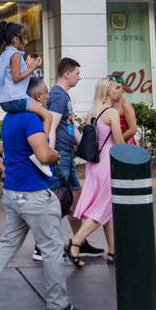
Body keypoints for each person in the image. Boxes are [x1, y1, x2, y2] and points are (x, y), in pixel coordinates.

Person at [0, 75, 88, 310]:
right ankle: (57, 304)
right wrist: (56, 156)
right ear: (36, 96)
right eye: (44, 92)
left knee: (7, 243)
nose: (47, 96)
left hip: (12, 193)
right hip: (34, 195)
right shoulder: (31, 118)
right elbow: (43, 155)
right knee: (53, 249)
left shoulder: (10, 118)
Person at [45, 58, 103, 257]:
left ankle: (78, 241)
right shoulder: (58, 96)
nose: (80, 77)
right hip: (60, 154)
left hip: (66, 153)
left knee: (74, 197)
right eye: (77, 73)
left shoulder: (63, 96)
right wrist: (51, 154)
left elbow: (69, 125)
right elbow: (51, 126)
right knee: (58, 201)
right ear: (67, 74)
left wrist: (87, 146)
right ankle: (42, 246)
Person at [66, 77, 124, 268]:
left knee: (107, 209)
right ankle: (76, 242)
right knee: (103, 208)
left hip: (95, 164)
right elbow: (118, 141)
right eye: (117, 88)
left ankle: (113, 251)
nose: (120, 91)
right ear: (109, 91)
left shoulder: (94, 112)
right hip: (108, 162)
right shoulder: (112, 113)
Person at [0, 21, 57, 153]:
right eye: (25, 38)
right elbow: (17, 77)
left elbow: (12, 76)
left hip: (6, 100)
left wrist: (28, 68)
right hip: (15, 99)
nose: (27, 42)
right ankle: (42, 151)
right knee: (47, 116)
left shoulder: (4, 55)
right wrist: (33, 67)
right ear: (16, 40)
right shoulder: (15, 55)